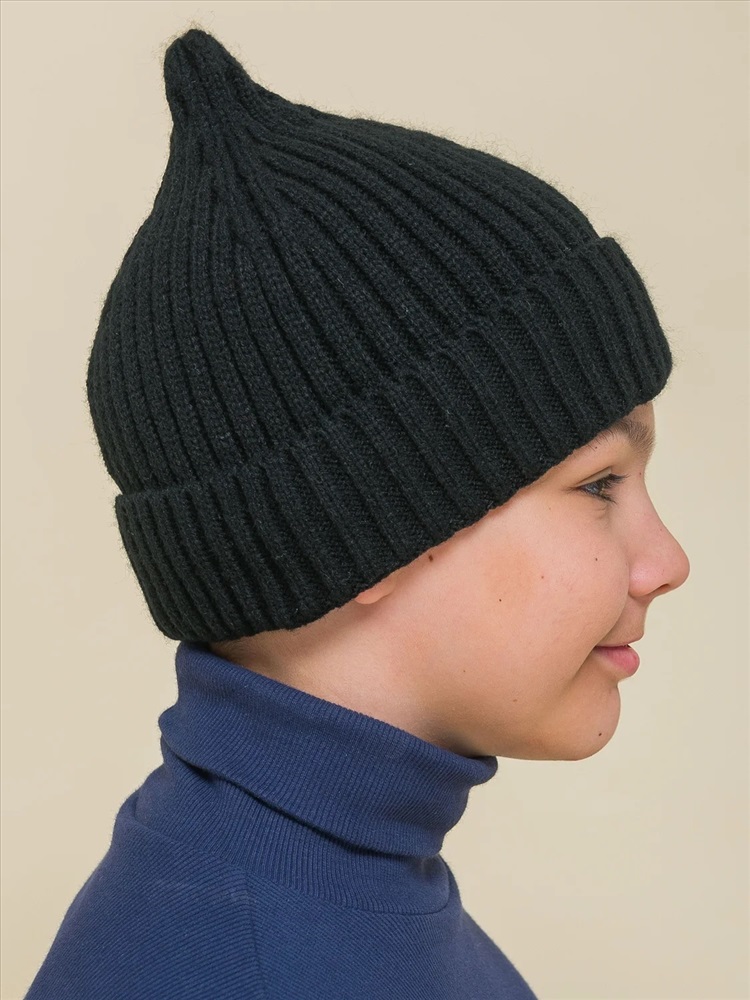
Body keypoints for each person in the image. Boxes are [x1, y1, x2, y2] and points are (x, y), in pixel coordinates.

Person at [25, 25, 690, 1000]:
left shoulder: (323, 882)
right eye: (598, 485)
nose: (667, 560)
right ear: (362, 527)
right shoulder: (244, 960)